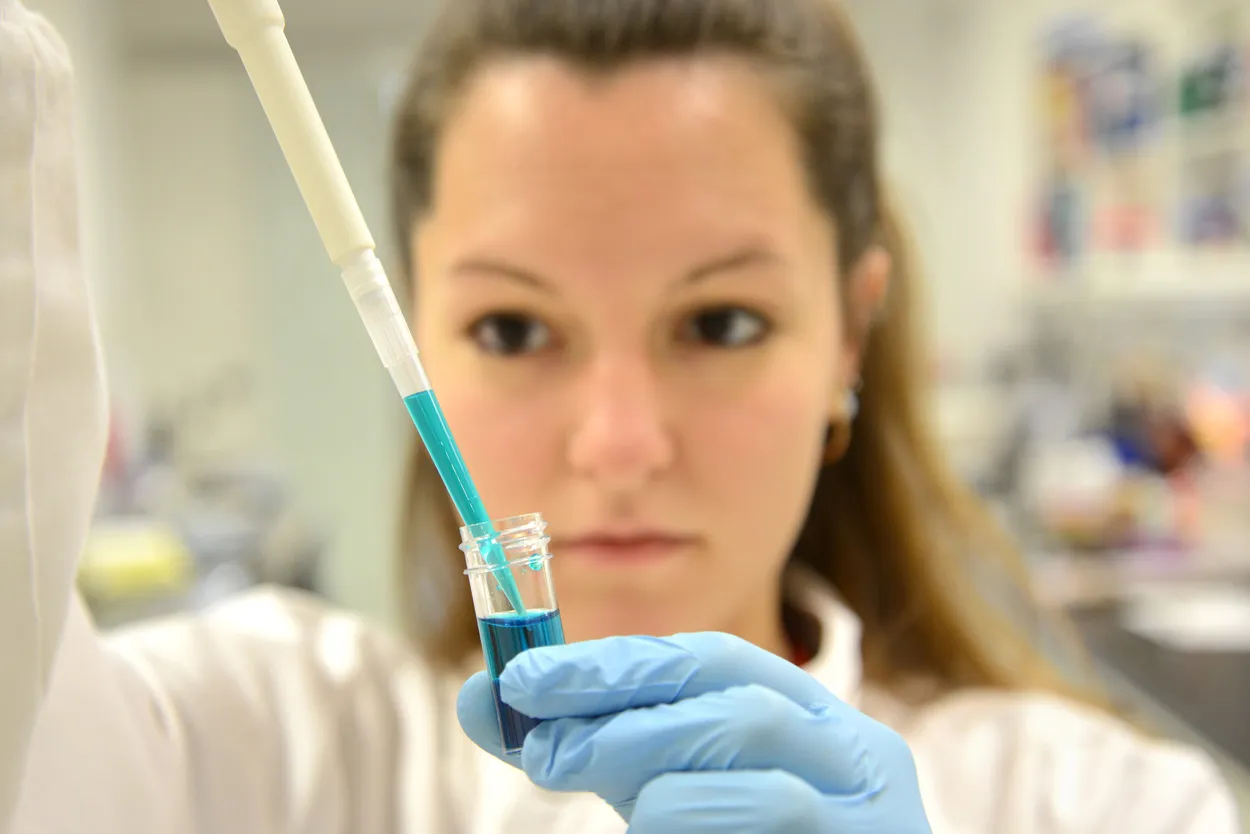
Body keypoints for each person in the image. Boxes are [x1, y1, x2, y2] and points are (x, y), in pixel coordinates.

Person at [0, 0, 1239, 832]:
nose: (617, 444)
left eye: (719, 324)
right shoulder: (263, 747)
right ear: (418, 328)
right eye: (514, 330)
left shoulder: (1105, 802)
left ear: (849, 331)